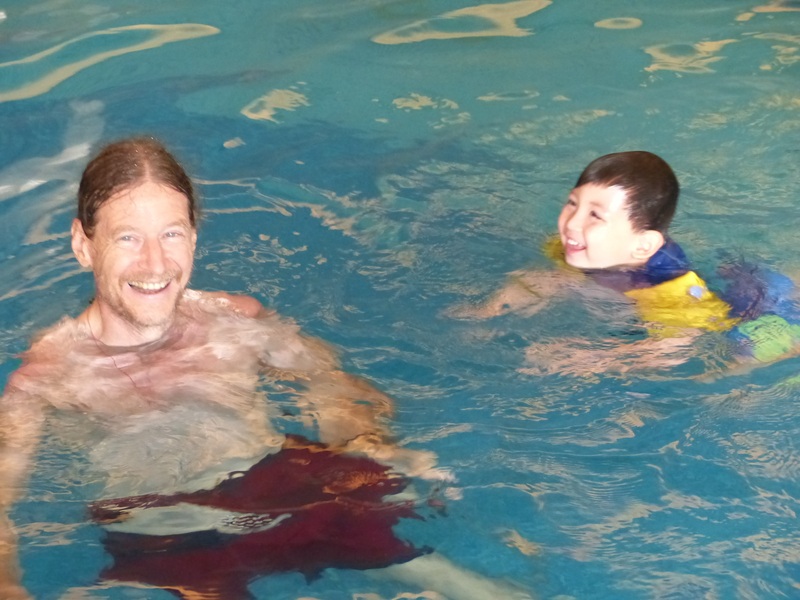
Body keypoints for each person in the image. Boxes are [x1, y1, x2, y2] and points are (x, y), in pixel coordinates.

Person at [0, 137, 530, 599]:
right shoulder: (50, 375)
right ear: (81, 245)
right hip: (169, 528)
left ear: (194, 237)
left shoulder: (234, 320)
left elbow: (328, 379)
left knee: (466, 581)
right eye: (127, 237)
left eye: (171, 234)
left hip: (282, 486)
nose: (155, 264)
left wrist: (368, 441)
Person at [453, 151, 800, 375]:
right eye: (572, 204)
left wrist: (592, 359)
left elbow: (674, 350)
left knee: (739, 357)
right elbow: (546, 279)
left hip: (743, 313)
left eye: (595, 215)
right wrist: (489, 311)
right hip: (668, 286)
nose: (572, 224)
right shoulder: (574, 245)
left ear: (642, 245)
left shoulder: (668, 292)